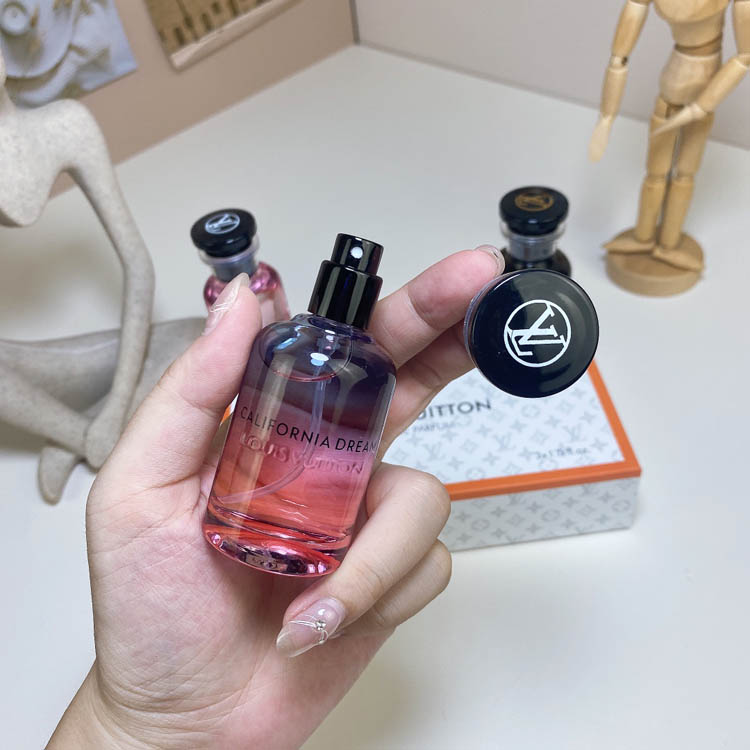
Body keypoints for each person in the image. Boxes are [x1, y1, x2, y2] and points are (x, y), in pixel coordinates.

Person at [48, 245, 503, 749]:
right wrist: (133, 727)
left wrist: (137, 731)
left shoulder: (366, 367)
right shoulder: (283, 345)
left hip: (297, 549)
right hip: (232, 527)